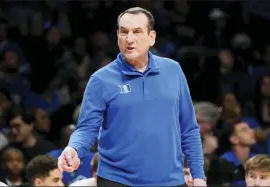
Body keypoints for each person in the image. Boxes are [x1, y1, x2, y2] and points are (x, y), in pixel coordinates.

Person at [58, 7, 206, 187]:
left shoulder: (173, 70)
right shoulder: (101, 79)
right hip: (117, 181)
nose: (129, 39)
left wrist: (198, 176)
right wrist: (73, 148)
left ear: (152, 37)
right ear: (117, 36)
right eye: (124, 32)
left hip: (171, 180)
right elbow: (86, 128)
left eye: (137, 32)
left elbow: (189, 129)